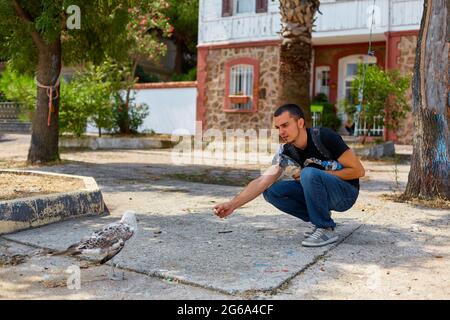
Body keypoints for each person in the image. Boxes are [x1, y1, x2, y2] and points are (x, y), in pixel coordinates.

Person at [213, 104, 365, 247]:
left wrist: (316, 175)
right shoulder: (286, 150)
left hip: (345, 193)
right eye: (278, 128)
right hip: (322, 191)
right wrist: (232, 205)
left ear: (300, 123)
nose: (281, 132)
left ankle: (325, 228)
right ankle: (320, 216)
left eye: (285, 125)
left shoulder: (323, 136)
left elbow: (358, 171)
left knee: (308, 173)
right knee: (272, 191)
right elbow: (262, 180)